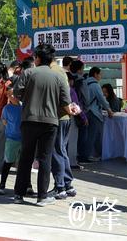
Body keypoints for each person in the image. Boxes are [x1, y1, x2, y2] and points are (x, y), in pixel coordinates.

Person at [12, 44, 77, 207]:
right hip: (50, 122)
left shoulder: (28, 73)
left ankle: (19, 194)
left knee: (25, 157)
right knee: (45, 158)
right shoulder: (58, 76)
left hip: (29, 120)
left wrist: (28, 98)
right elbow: (65, 101)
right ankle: (42, 196)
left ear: (38, 58)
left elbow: (16, 93)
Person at [50, 58, 78, 200]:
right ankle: (68, 184)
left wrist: (68, 108)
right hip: (65, 117)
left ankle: (60, 186)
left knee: (57, 152)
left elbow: (63, 96)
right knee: (61, 150)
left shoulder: (52, 72)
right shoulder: (61, 71)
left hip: (58, 117)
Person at [82, 67, 113, 162]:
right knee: (94, 135)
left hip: (85, 112)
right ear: (95, 74)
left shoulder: (85, 83)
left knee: (87, 135)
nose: (101, 76)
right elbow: (101, 99)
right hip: (94, 112)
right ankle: (89, 155)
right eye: (100, 74)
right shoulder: (95, 85)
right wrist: (109, 110)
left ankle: (84, 154)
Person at [0, 87, 22, 195]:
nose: (12, 96)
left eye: (13, 94)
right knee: (8, 162)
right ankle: (2, 185)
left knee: (23, 164)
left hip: (24, 139)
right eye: (9, 95)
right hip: (12, 138)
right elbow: (4, 121)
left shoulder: (24, 106)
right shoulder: (7, 108)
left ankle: (27, 185)